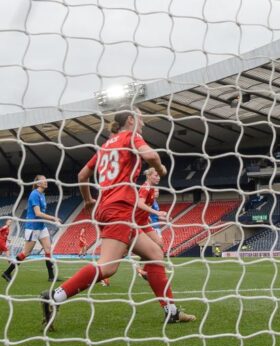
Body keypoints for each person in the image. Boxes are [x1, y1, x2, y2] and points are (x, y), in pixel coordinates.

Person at [39, 106, 195, 331]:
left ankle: (171, 311)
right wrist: (160, 169)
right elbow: (151, 156)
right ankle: (54, 297)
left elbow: (82, 175)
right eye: (141, 119)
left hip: (109, 207)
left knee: (154, 254)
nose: (143, 123)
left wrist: (88, 200)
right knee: (108, 267)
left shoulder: (104, 146)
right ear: (130, 120)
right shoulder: (131, 136)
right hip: (119, 209)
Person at [3, 175, 62, 282]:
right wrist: (54, 218)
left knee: (48, 249)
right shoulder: (34, 194)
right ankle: (7, 272)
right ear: (38, 183)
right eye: (44, 180)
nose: (46, 181)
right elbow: (38, 213)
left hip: (41, 226)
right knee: (26, 252)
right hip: (32, 227)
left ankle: (51, 277)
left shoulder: (42, 195)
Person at [135, 168, 167, 279]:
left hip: (143, 222)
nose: (158, 178)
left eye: (159, 176)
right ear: (149, 176)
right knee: (120, 252)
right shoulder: (146, 187)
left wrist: (149, 217)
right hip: (135, 222)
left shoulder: (152, 189)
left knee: (159, 244)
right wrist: (157, 212)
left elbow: (145, 208)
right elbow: (140, 204)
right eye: (156, 175)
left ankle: (144, 270)